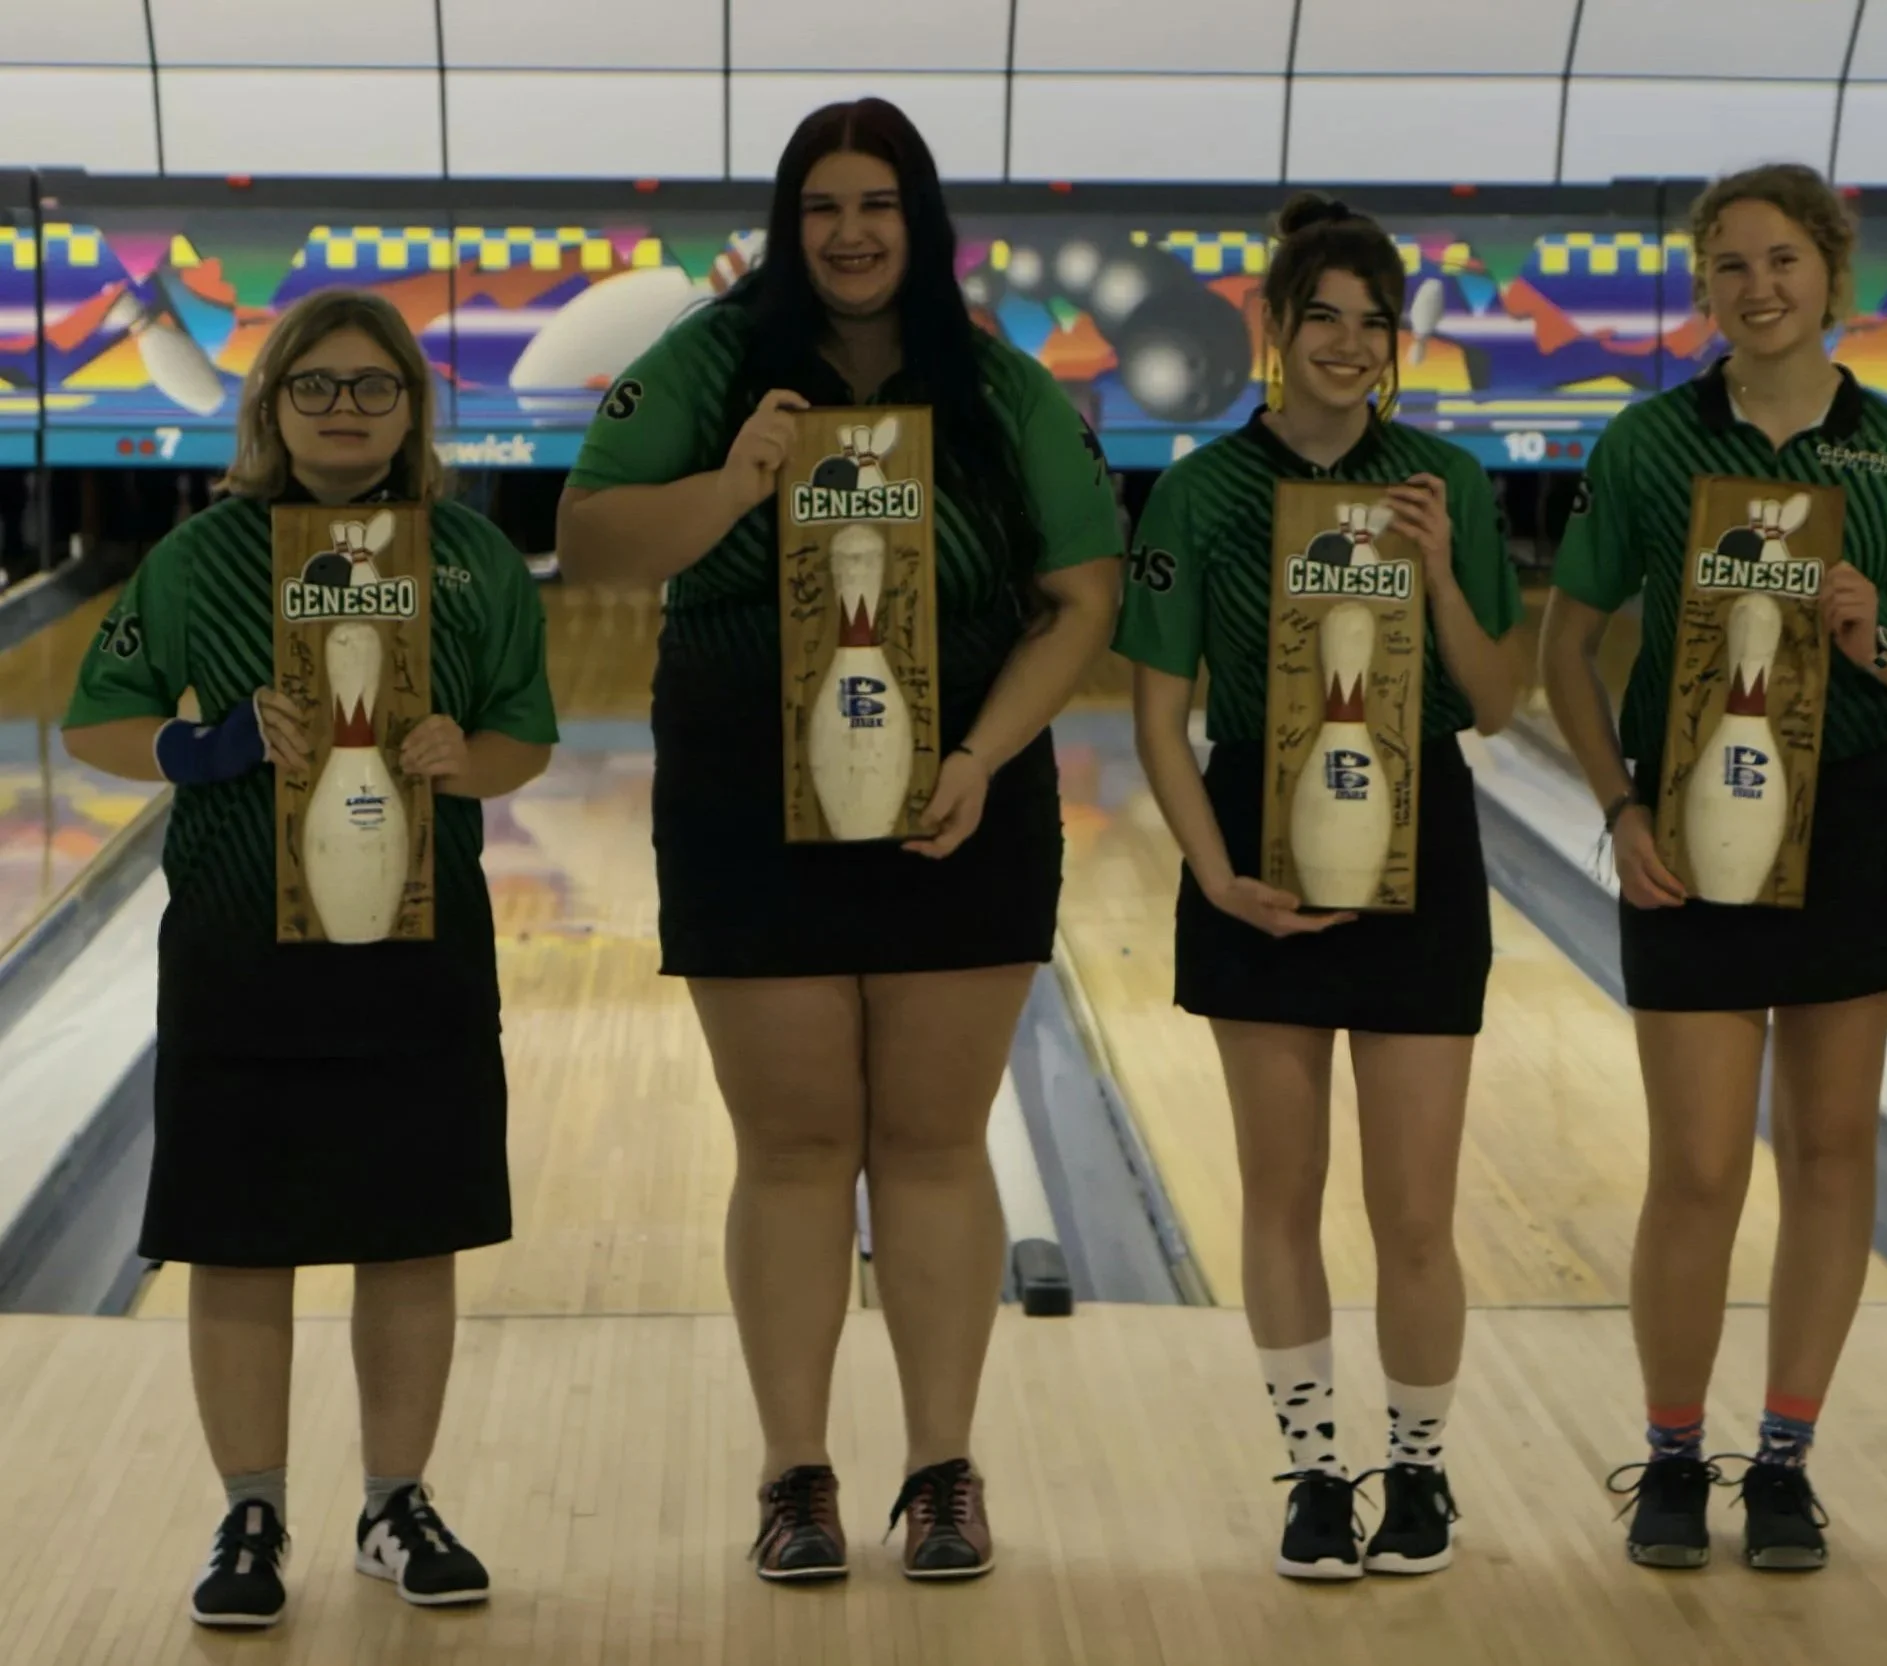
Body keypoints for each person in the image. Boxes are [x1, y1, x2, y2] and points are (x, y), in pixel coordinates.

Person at [552, 99, 1120, 1584]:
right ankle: (793, 1473)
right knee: (796, 1142)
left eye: (879, 204)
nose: (852, 232)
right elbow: (595, 539)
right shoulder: (705, 361)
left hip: (964, 795)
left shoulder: (998, 386)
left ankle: (944, 1471)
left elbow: (1083, 593)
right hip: (750, 784)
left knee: (933, 1140)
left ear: (921, 222)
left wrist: (987, 753)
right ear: (788, 224)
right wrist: (738, 481)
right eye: (824, 207)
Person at [60, 288, 557, 1628]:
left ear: (412, 407)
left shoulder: (474, 560)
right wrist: (204, 742)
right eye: (317, 386)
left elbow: (527, 733)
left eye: (373, 386)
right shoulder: (198, 559)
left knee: (410, 1236)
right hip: (237, 944)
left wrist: (470, 759)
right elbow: (96, 720)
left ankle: (396, 1500)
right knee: (238, 1241)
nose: (346, 409)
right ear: (273, 405)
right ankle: (251, 1511)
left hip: (418, 942)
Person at [1539, 163, 1887, 1573]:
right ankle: (1673, 1452)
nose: (1759, 286)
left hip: (1847, 812)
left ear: (1833, 274)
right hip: (1685, 821)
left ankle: (1784, 1457)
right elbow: (1567, 642)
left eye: (1783, 258)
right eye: (1728, 265)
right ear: (1704, 290)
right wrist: (1616, 807)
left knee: (1835, 1150)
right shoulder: (1651, 446)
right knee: (1694, 1165)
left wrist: (1880, 643)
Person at [1119, 194, 1522, 1580]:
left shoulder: (1443, 484)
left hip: (1423, 836)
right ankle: (1310, 1469)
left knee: (1414, 1205)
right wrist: (1215, 872)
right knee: (1280, 1189)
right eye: (1324, 319)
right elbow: (1160, 716)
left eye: (1374, 322)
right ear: (1273, 328)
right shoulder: (1200, 492)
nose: (1351, 345)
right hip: (1256, 840)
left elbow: (1500, 700)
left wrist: (1445, 573)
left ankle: (1418, 1469)